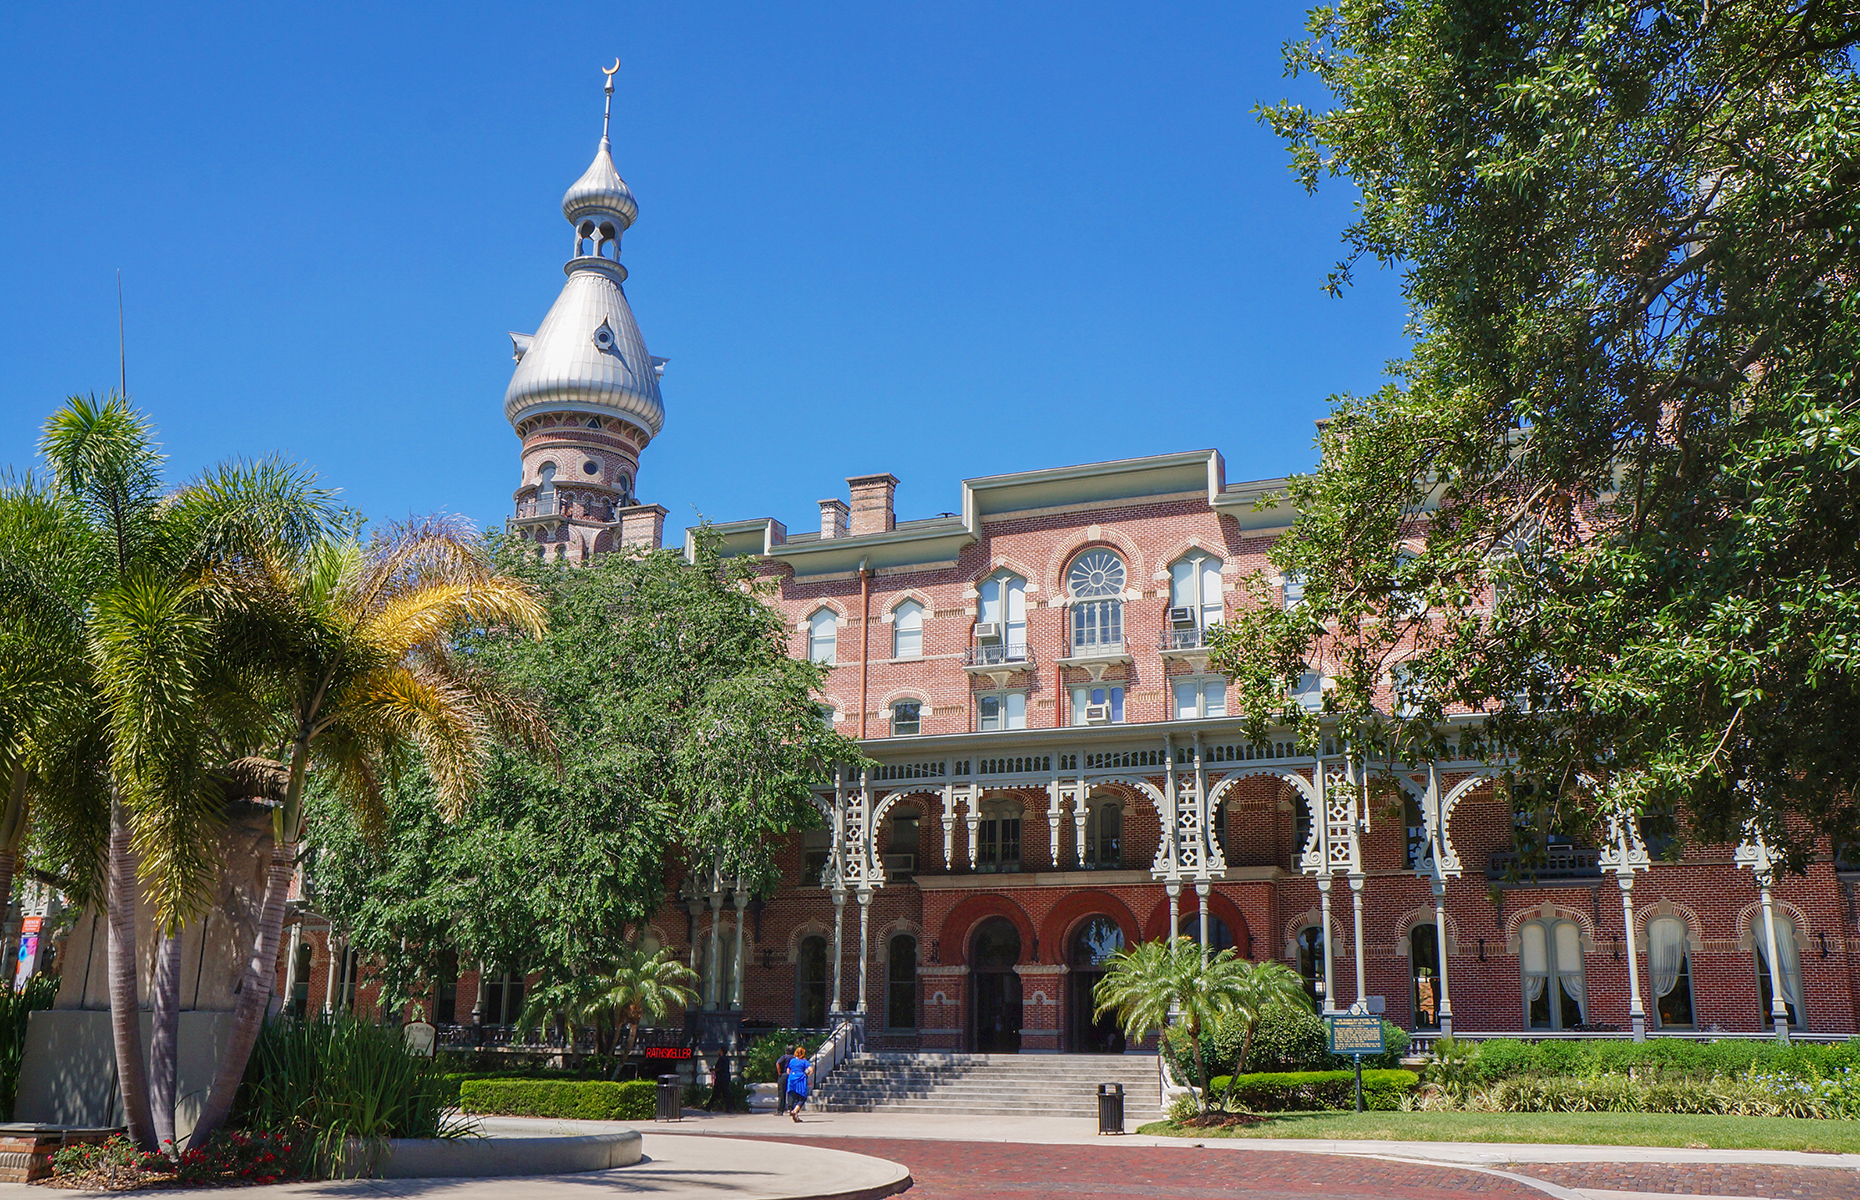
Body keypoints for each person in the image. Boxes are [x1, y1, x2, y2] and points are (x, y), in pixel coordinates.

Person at [783, 1046, 812, 1122]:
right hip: (800, 1080)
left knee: (794, 1098)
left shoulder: (792, 1061)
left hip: (792, 1080)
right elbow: (811, 1070)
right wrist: (806, 1076)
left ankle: (796, 1116)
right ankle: (795, 1111)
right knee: (802, 1097)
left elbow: (788, 1071)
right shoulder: (804, 1061)